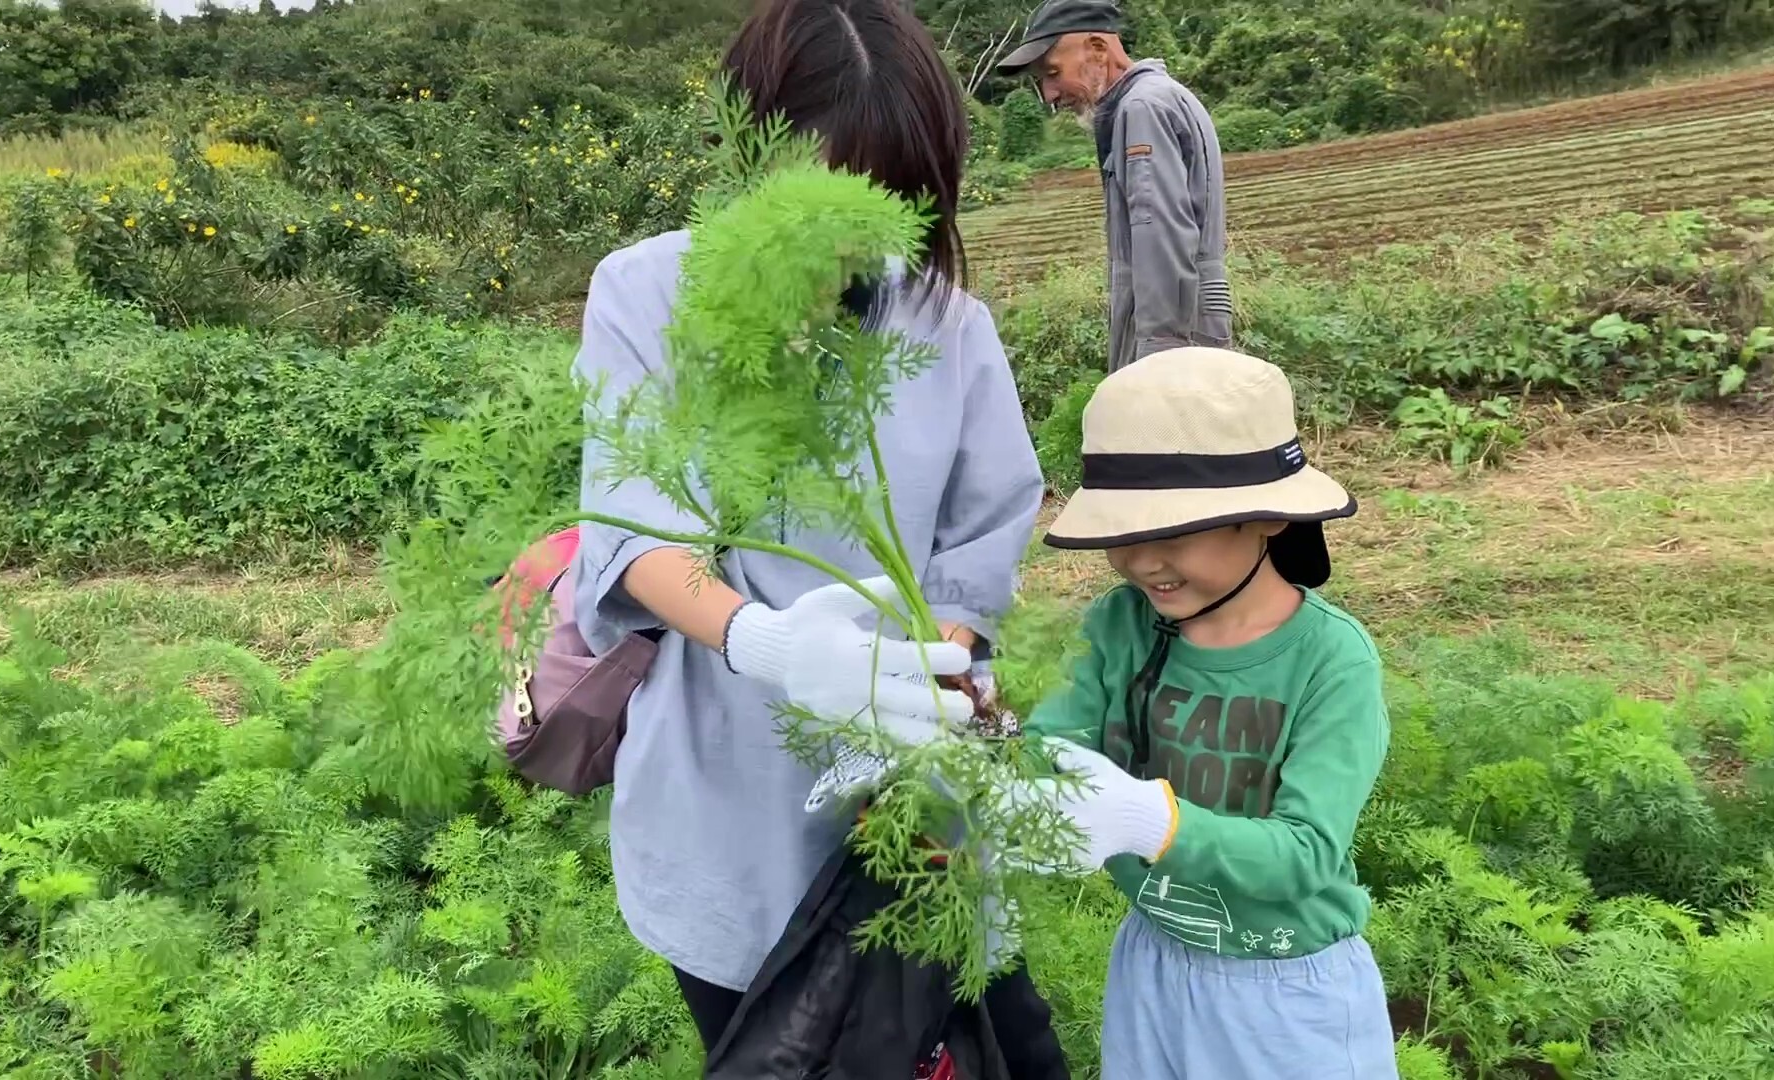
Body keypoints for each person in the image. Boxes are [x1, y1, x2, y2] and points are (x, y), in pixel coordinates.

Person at [570, 0, 1067, 1073]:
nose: (860, 234)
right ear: (753, 156)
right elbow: (634, 529)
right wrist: (773, 644)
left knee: (953, 1033)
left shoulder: (947, 323)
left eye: (894, 194)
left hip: (911, 795)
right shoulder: (647, 293)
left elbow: (983, 532)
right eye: (829, 192)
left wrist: (937, 667)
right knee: (769, 1045)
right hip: (727, 784)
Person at [1005, 346, 1401, 1079]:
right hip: (1153, 953)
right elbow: (1050, 745)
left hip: (1283, 987)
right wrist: (973, 753)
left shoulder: (1330, 661)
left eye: (1173, 533)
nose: (1142, 561)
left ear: (1269, 519)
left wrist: (1154, 823)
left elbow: (1305, 854)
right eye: (1122, 536)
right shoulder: (1118, 625)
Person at [995, 0, 1232, 370]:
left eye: (1053, 72)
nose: (1049, 95)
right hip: (1192, 327)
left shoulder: (1141, 109)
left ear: (1098, 49)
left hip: (1172, 337)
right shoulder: (1162, 96)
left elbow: (1161, 235)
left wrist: (1157, 358)